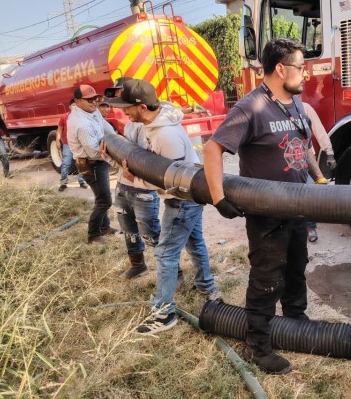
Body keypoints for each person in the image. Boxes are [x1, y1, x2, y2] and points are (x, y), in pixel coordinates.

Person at [203, 38, 320, 375]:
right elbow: (212, 149)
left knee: (296, 267)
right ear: (281, 69)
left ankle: (295, 321)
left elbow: (303, 146)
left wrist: (318, 177)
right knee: (267, 278)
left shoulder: (296, 104)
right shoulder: (251, 107)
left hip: (298, 207)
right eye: (301, 67)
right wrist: (218, 197)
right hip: (267, 216)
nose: (306, 74)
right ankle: (258, 345)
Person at [108, 79, 218, 334]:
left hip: (182, 200)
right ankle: (206, 287)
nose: (123, 111)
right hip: (189, 195)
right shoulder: (153, 124)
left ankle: (163, 313)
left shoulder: (165, 135)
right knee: (195, 242)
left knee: (166, 254)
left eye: (126, 107)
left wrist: (135, 178)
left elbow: (173, 181)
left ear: (142, 106)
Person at [102, 77, 160, 279]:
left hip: (142, 189)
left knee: (151, 232)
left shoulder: (147, 125)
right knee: (128, 230)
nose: (119, 100)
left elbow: (144, 162)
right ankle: (138, 265)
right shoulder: (129, 125)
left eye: (121, 93)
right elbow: (125, 161)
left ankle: (172, 270)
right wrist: (110, 157)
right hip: (123, 186)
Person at [67, 84, 118, 244]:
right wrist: (115, 161)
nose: (94, 102)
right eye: (89, 99)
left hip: (98, 161)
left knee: (101, 196)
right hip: (92, 163)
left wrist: (118, 140)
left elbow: (106, 127)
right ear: (77, 101)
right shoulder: (81, 123)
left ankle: (104, 227)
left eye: (96, 98)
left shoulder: (92, 111)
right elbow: (94, 152)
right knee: (104, 201)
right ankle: (93, 235)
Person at [301, 101, 336, 242]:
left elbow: (318, 130)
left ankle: (310, 227)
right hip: (286, 160)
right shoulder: (275, 109)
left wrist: (329, 152)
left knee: (308, 192)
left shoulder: (304, 108)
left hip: (307, 159)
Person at [56, 99, 88, 191]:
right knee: (66, 163)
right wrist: (57, 141)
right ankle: (63, 183)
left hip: (79, 145)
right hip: (67, 144)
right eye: (73, 105)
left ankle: (82, 181)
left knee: (81, 163)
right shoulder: (64, 117)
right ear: (69, 107)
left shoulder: (83, 117)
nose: (75, 107)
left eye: (77, 105)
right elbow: (59, 130)